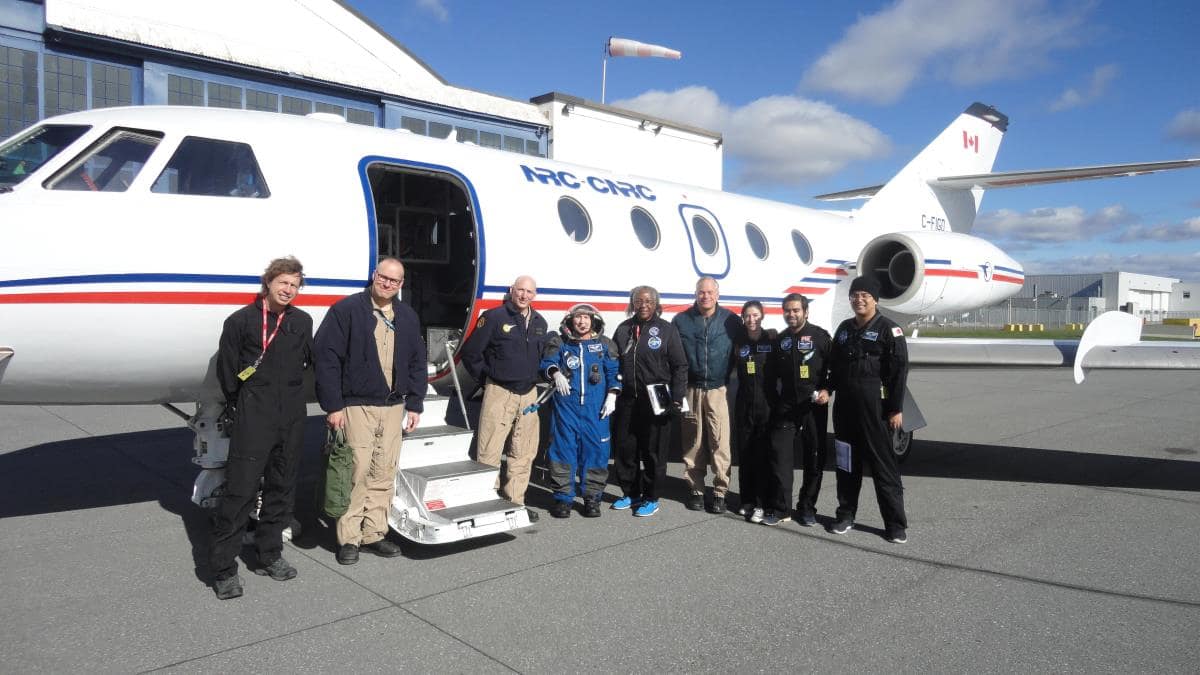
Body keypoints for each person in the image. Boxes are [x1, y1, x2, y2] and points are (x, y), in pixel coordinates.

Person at [209, 256, 313, 600]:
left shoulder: (302, 321)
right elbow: (228, 372)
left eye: (294, 285)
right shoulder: (240, 321)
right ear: (268, 282)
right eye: (283, 282)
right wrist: (243, 404)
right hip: (254, 416)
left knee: (281, 489)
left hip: (291, 416)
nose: (288, 289)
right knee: (240, 493)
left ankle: (269, 554)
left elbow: (307, 364)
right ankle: (224, 570)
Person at [315, 257, 426, 565]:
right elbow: (327, 359)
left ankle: (374, 533)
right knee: (355, 471)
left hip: (393, 406)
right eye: (383, 277)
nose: (387, 284)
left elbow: (417, 360)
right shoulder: (347, 310)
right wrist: (333, 405)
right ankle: (349, 538)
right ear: (374, 275)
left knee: (383, 472)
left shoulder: (407, 316)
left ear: (401, 284)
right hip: (357, 405)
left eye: (394, 280)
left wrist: (415, 403)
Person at [820, 276, 910, 543]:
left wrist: (895, 409)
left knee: (884, 468)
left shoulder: (889, 330)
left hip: (875, 410)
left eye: (864, 295)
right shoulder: (844, 329)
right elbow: (835, 366)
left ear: (875, 300)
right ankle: (845, 515)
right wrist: (828, 388)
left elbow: (898, 372)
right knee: (846, 465)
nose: (859, 300)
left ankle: (895, 524)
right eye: (855, 295)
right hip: (845, 409)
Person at [460, 275, 548, 519]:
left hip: (529, 394)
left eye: (529, 292)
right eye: (520, 290)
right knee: (489, 451)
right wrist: (488, 379)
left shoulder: (540, 322)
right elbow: (471, 353)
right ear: (512, 290)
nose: (524, 295)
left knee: (523, 452)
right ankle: (488, 503)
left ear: (534, 295)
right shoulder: (494, 317)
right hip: (500, 392)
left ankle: (515, 502)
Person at [611, 285, 688, 517]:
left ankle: (651, 497)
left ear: (655, 304)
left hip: (657, 398)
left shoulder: (666, 330)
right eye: (638, 301)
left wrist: (677, 397)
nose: (643, 305)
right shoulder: (623, 329)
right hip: (628, 399)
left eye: (648, 301)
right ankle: (631, 493)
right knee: (626, 449)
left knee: (654, 451)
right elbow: (613, 361)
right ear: (632, 303)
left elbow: (680, 366)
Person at [540, 304, 621, 518]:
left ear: (593, 321)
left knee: (596, 453)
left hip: (596, 410)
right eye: (578, 318)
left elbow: (613, 371)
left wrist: (613, 394)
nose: (582, 322)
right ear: (570, 320)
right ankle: (563, 498)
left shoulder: (605, 344)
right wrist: (555, 373)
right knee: (562, 451)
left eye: (586, 318)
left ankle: (592, 498)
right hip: (566, 408)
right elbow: (548, 362)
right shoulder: (560, 343)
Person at [672, 276, 741, 513]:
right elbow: (673, 355)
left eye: (710, 292)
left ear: (717, 295)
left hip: (717, 389)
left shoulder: (731, 320)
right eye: (702, 292)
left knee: (720, 441)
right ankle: (696, 489)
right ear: (696, 294)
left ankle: (720, 491)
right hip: (691, 389)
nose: (706, 296)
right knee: (693, 441)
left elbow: (744, 346)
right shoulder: (681, 321)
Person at [766, 294, 832, 527]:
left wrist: (827, 389)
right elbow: (770, 374)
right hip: (787, 406)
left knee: (814, 457)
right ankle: (781, 508)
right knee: (780, 457)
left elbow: (834, 368)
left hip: (813, 405)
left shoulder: (820, 337)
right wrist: (775, 402)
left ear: (805, 312)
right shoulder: (781, 340)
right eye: (787, 310)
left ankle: (807, 507)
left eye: (795, 310)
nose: (791, 314)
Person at [730, 301, 776, 524]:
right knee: (745, 453)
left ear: (762, 316)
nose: (751, 319)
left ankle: (761, 503)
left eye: (755, 315)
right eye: (747, 316)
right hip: (744, 403)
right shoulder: (738, 342)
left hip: (766, 405)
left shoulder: (772, 339)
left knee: (762, 456)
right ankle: (746, 500)